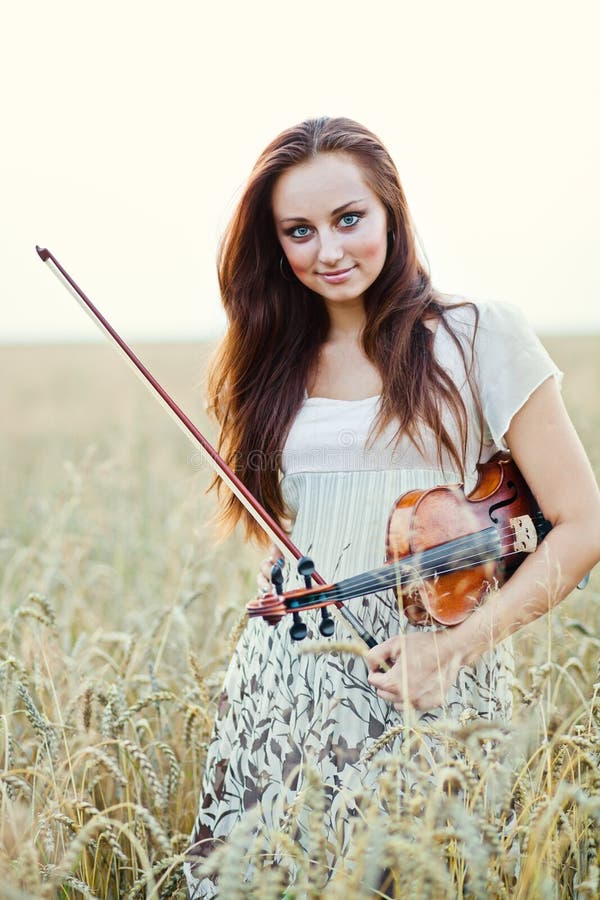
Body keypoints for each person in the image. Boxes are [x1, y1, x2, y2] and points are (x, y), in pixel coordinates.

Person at [185, 116, 600, 896]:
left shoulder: (480, 336)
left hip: (437, 674)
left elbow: (582, 525)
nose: (329, 250)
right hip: (290, 680)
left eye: (349, 219)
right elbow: (305, 530)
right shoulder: (271, 360)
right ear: (275, 246)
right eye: (298, 232)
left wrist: (454, 651)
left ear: (390, 212)